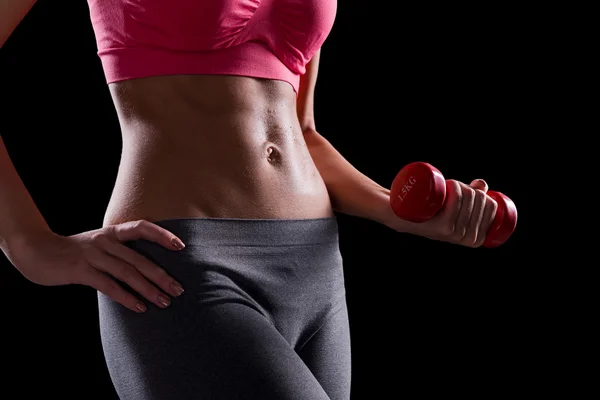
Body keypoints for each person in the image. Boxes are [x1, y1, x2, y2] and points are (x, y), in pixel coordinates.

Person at [0, 1, 499, 399]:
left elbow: (302, 133)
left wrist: (395, 211)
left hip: (316, 269)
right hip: (183, 266)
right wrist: (29, 244)